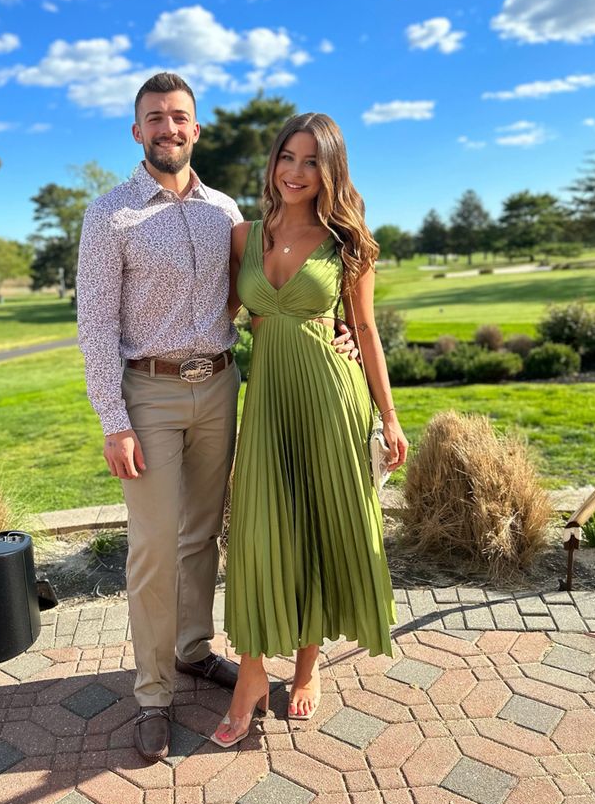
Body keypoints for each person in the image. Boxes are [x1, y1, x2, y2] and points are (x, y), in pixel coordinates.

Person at [77, 75, 355, 763]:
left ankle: (195, 650)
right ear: (136, 131)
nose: (168, 127)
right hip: (149, 393)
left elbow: (266, 298)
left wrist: (337, 328)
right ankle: (152, 692)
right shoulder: (109, 214)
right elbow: (94, 325)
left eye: (180, 117)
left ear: (196, 130)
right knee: (153, 545)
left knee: (204, 533)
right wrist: (113, 417)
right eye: (154, 118)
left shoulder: (225, 212)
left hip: (222, 386)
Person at [212, 112, 409, 748]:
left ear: (330, 170)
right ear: (272, 164)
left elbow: (367, 329)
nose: (296, 173)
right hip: (268, 403)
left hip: (331, 399)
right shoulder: (244, 237)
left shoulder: (346, 241)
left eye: (311, 162)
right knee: (261, 529)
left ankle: (307, 663)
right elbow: (219, 312)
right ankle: (249, 672)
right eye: (286, 159)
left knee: (319, 525)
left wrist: (389, 415)